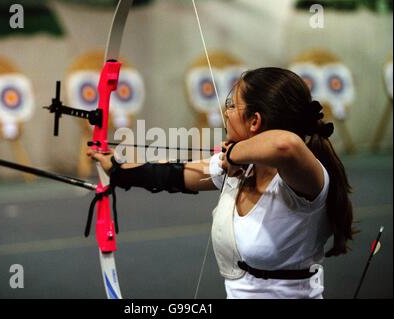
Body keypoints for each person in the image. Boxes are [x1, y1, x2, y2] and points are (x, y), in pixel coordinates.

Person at [88, 67, 356, 299]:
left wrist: (232, 154)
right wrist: (118, 169)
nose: (225, 112)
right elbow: (175, 174)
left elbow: (285, 145)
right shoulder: (243, 168)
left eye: (232, 105)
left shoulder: (305, 179)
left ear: (255, 121)